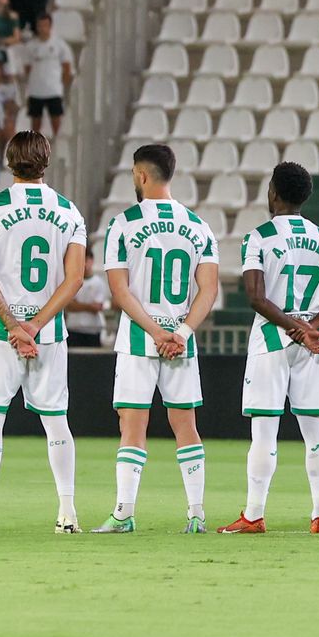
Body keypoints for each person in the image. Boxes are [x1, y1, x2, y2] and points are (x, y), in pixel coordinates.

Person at [0, 132, 87, 535]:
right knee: (57, 421)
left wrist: (15, 325)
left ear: (10, 161)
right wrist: (37, 324)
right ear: (46, 161)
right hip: (48, 333)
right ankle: (67, 513)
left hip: (1, 331)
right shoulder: (69, 212)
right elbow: (76, 278)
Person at [93, 144, 221, 534]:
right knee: (186, 425)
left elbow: (120, 290)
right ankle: (196, 513)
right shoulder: (199, 226)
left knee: (132, 425)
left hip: (138, 339)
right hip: (182, 341)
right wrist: (179, 332)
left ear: (141, 175)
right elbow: (208, 289)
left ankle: (124, 513)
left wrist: (155, 332)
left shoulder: (123, 223)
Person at [217, 162, 319, 536]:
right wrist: (311, 328)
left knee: (264, 433)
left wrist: (295, 327)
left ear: (273, 193)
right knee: (316, 434)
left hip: (272, 340)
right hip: (309, 343)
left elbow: (257, 298)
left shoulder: (258, 237)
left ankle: (254, 514)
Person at [21, 12, 72, 136]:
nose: (42, 29)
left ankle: (57, 148)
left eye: (45, 25)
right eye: (40, 26)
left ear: (50, 26)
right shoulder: (31, 46)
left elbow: (67, 66)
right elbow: (27, 67)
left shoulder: (60, 45)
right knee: (35, 123)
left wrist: (62, 85)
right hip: (36, 90)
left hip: (53, 89)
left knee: (56, 122)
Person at [64, 247, 110, 348]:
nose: (84, 264)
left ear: (91, 261)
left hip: (92, 330)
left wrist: (77, 305)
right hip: (74, 328)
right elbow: (69, 306)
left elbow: (96, 308)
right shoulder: (71, 281)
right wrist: (88, 306)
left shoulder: (99, 283)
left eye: (86, 260)